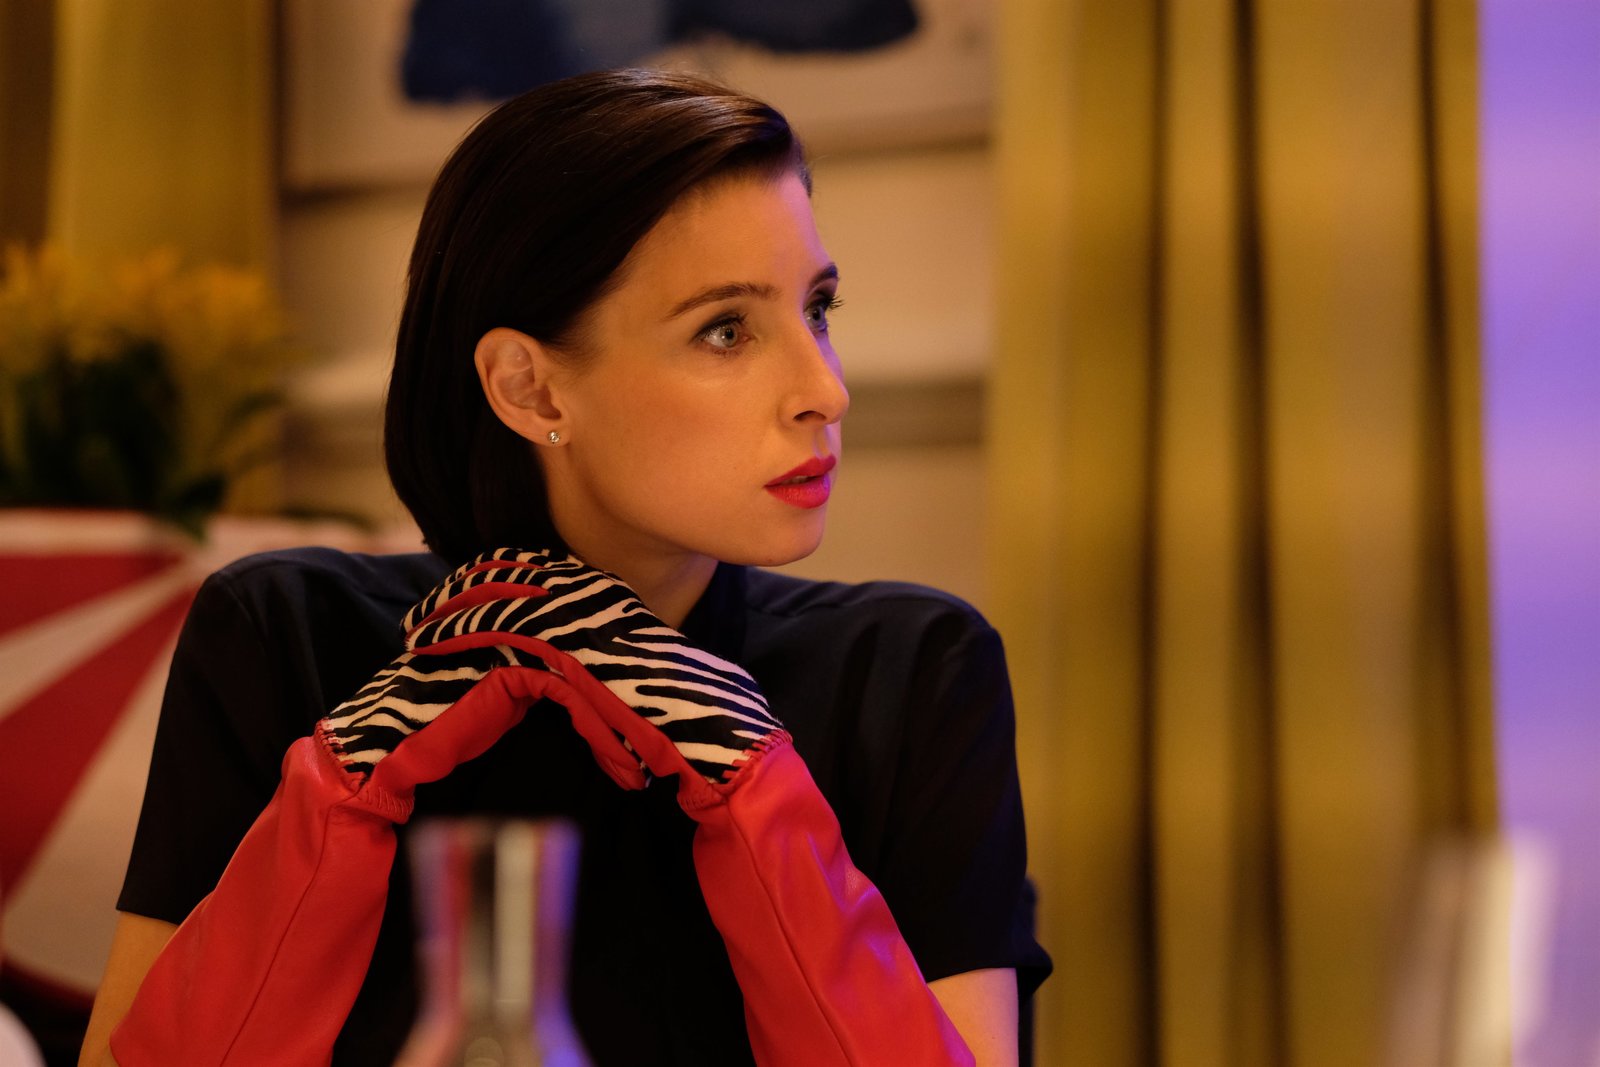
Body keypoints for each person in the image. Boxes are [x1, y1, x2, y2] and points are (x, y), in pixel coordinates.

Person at [78, 68, 1050, 1067]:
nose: (825, 390)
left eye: (819, 307)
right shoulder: (286, 634)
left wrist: (752, 785)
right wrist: (341, 793)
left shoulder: (912, 670)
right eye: (726, 330)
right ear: (529, 387)